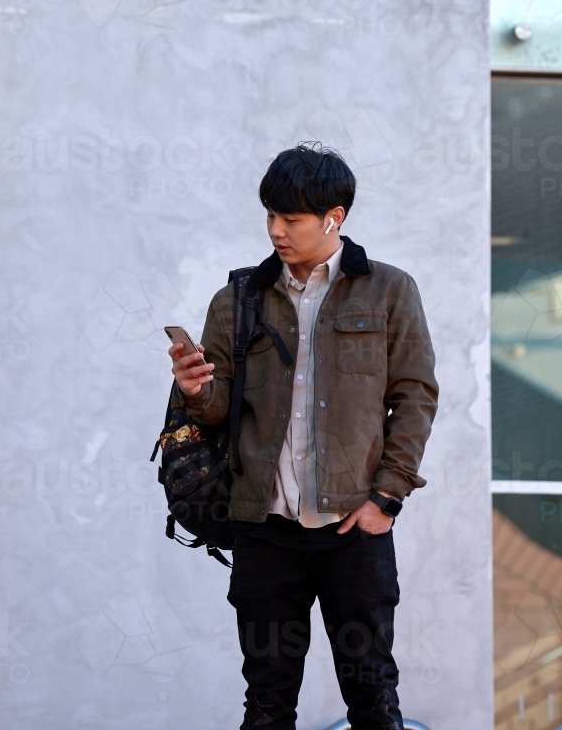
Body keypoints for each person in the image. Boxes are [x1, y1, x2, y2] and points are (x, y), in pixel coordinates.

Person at [168, 143, 438, 730]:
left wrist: (386, 497)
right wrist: (195, 390)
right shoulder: (237, 300)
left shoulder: (390, 291)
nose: (275, 231)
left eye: (290, 219)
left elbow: (414, 397)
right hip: (265, 533)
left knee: (374, 701)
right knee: (266, 704)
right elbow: (216, 412)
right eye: (270, 216)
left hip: (353, 532)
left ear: (333, 218)